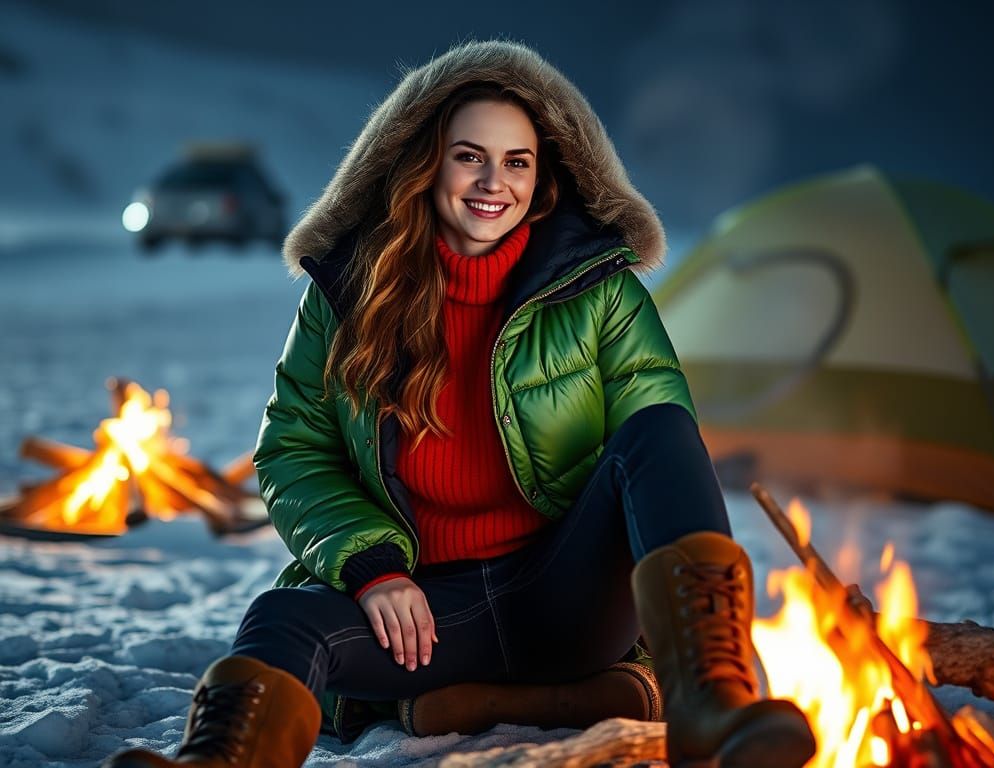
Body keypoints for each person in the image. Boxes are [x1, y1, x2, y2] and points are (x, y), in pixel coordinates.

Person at [103, 40, 815, 768]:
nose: (492, 182)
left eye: (517, 162)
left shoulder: (603, 292)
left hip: (569, 598)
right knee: (281, 617)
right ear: (425, 163)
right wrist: (371, 567)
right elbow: (293, 451)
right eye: (469, 156)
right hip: (425, 617)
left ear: (545, 180)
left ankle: (713, 706)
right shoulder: (347, 294)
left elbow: (660, 451)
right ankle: (216, 759)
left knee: (661, 431)